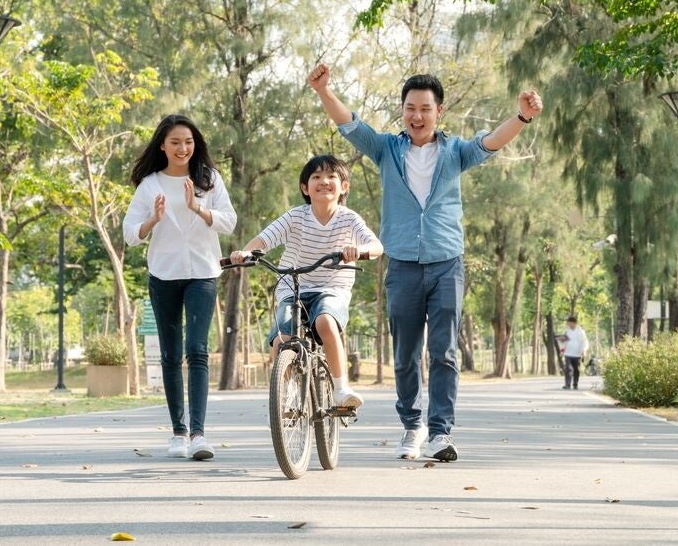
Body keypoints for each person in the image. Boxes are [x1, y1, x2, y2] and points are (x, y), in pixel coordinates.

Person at [307, 63, 542, 461]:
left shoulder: (456, 152)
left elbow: (493, 141)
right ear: (402, 111)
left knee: (444, 351)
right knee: (405, 353)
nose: (417, 116)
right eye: (410, 108)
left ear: (439, 112)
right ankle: (412, 426)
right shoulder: (386, 149)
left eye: (425, 108)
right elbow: (349, 123)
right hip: (402, 264)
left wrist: (522, 116)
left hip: (446, 262)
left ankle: (440, 432)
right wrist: (324, 91)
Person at [122, 115, 237, 461]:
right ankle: (178, 433)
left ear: (195, 144)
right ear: (162, 145)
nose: (182, 148)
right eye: (175, 142)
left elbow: (229, 222)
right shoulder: (150, 185)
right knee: (171, 355)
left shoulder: (209, 180)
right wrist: (152, 220)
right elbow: (130, 235)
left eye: (188, 142)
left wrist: (198, 208)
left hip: (202, 272)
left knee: (197, 349)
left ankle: (199, 435)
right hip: (164, 274)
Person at [229, 154, 383, 408]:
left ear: (344, 186)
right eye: (316, 177)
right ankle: (287, 394)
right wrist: (245, 253)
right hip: (293, 286)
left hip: (332, 288)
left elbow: (376, 245)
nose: (324, 181)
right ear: (305, 187)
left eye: (332, 176)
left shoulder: (349, 219)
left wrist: (360, 250)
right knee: (282, 339)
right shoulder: (295, 217)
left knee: (324, 322)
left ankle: (341, 389)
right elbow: (263, 240)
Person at [561, 315, 589, 390]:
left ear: (575, 323)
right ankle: (567, 384)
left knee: (576, 369)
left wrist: (584, 350)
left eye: (570, 323)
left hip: (577, 354)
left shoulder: (580, 331)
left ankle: (575, 384)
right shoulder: (567, 331)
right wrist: (562, 350)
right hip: (568, 353)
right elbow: (564, 342)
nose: (569, 325)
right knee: (568, 368)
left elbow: (585, 342)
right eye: (568, 323)